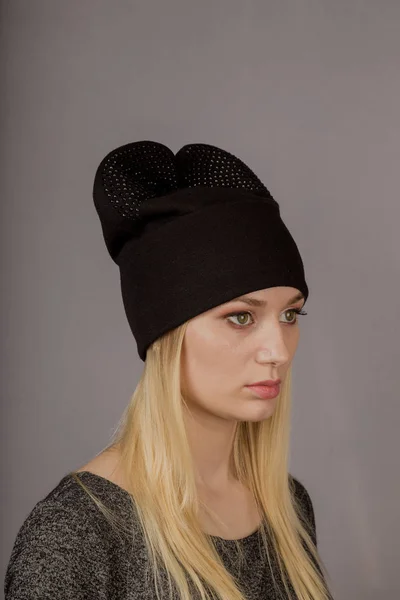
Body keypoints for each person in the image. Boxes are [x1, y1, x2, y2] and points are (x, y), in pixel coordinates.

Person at [4, 141, 334, 599]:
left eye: (290, 315)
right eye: (241, 317)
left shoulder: (286, 506)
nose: (278, 350)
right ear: (165, 334)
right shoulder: (80, 535)